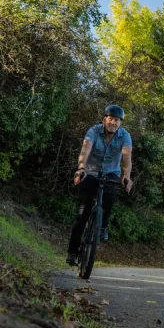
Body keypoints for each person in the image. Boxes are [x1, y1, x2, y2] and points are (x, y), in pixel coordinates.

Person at [65, 105, 133, 266]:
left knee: (109, 195)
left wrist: (126, 177)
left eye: (117, 120)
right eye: (111, 119)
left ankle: (102, 226)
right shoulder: (94, 131)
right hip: (90, 172)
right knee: (82, 213)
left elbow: (127, 158)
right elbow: (85, 151)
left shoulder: (125, 136)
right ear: (104, 120)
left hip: (111, 172)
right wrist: (81, 168)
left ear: (120, 123)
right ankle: (72, 252)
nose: (114, 123)